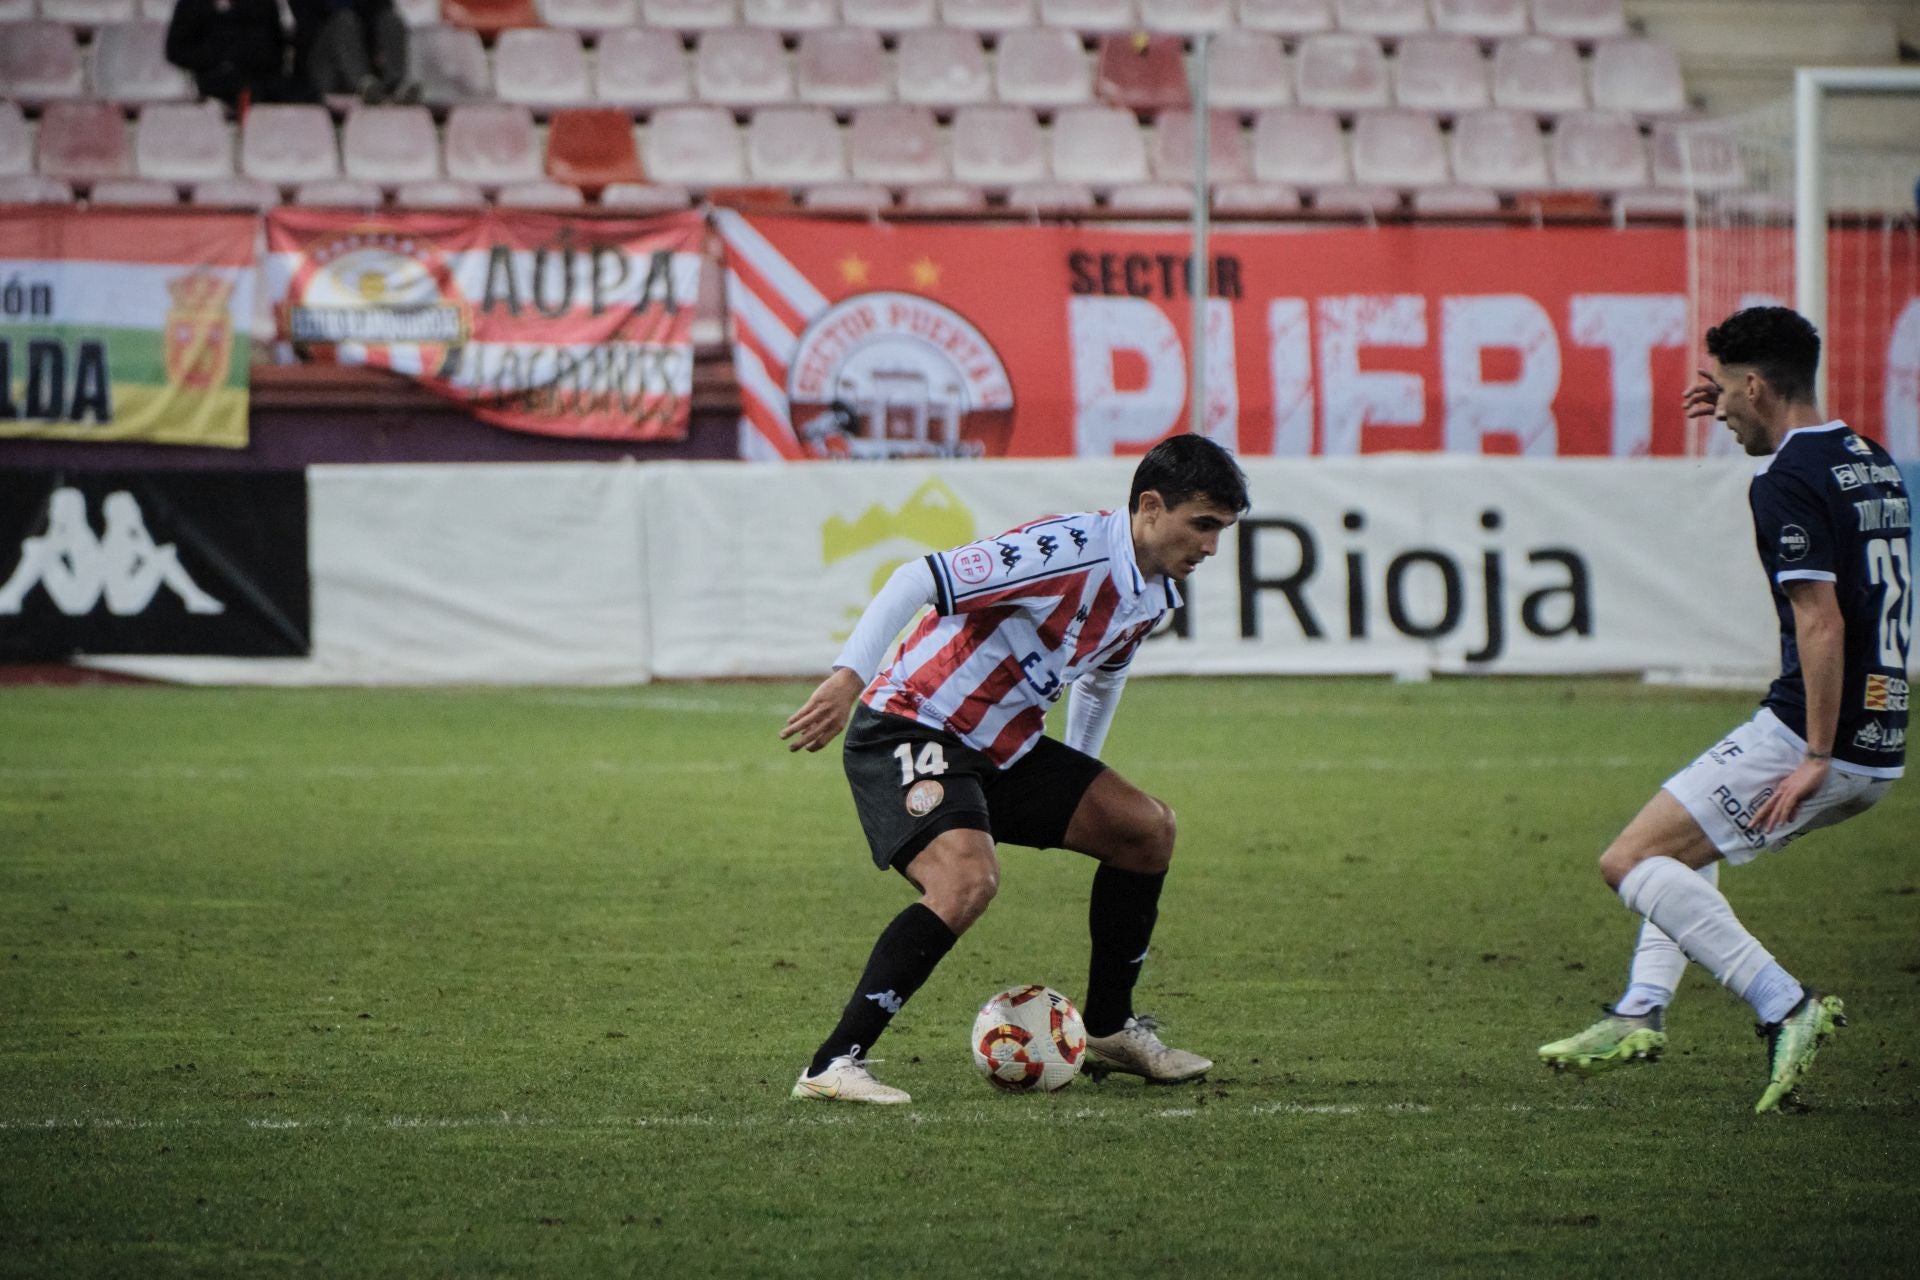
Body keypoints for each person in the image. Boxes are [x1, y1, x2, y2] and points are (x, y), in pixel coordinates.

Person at [781, 434, 1251, 1104]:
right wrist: (846, 677)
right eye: (1203, 525)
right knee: (968, 882)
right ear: (1151, 506)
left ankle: (1111, 1029)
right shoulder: (1067, 550)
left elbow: (1099, 681)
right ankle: (833, 1063)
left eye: (1222, 531)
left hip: (1004, 745)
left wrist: (1079, 781)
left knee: (1144, 830)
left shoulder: (1152, 593)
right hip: (911, 722)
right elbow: (916, 578)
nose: (1210, 546)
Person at [1538, 306, 1911, 1113]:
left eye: (1723, 392)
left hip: (1817, 734)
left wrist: (1814, 753)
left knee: (1630, 862)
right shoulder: (1867, 458)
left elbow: (1821, 618)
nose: (1715, 406)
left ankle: (1784, 1004)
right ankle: (1641, 1008)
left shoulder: (1783, 481)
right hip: (1882, 731)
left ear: (1753, 384)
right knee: (1686, 839)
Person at [164, 0, 302, 109]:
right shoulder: (194, 4)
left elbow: (275, 47)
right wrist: (220, 57)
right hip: (214, 81)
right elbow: (176, 50)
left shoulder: (262, 3)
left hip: (261, 81)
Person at [291, 0, 413, 104]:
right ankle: (363, 84)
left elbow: (380, 12)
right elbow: (307, 29)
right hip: (323, 62)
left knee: (391, 19)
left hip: (364, 58)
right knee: (345, 20)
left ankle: (396, 85)